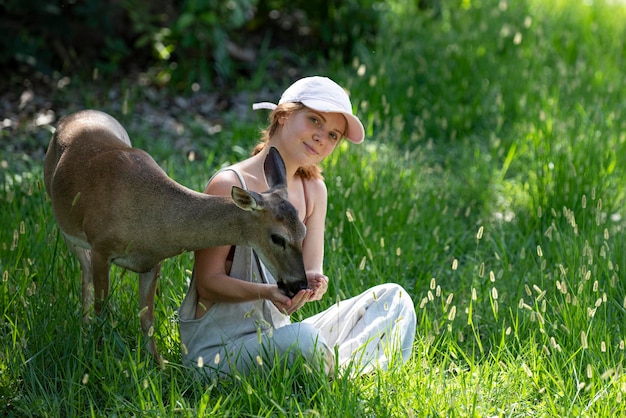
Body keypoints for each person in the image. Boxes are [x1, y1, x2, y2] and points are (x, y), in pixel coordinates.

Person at [178, 76, 416, 378]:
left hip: (276, 337)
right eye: (314, 120)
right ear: (282, 115)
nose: (321, 137)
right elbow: (207, 282)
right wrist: (267, 292)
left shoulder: (314, 190)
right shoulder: (231, 186)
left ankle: (332, 369)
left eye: (332, 135)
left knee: (393, 299)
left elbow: (308, 274)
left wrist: (313, 285)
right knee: (305, 342)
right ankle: (342, 372)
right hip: (217, 352)